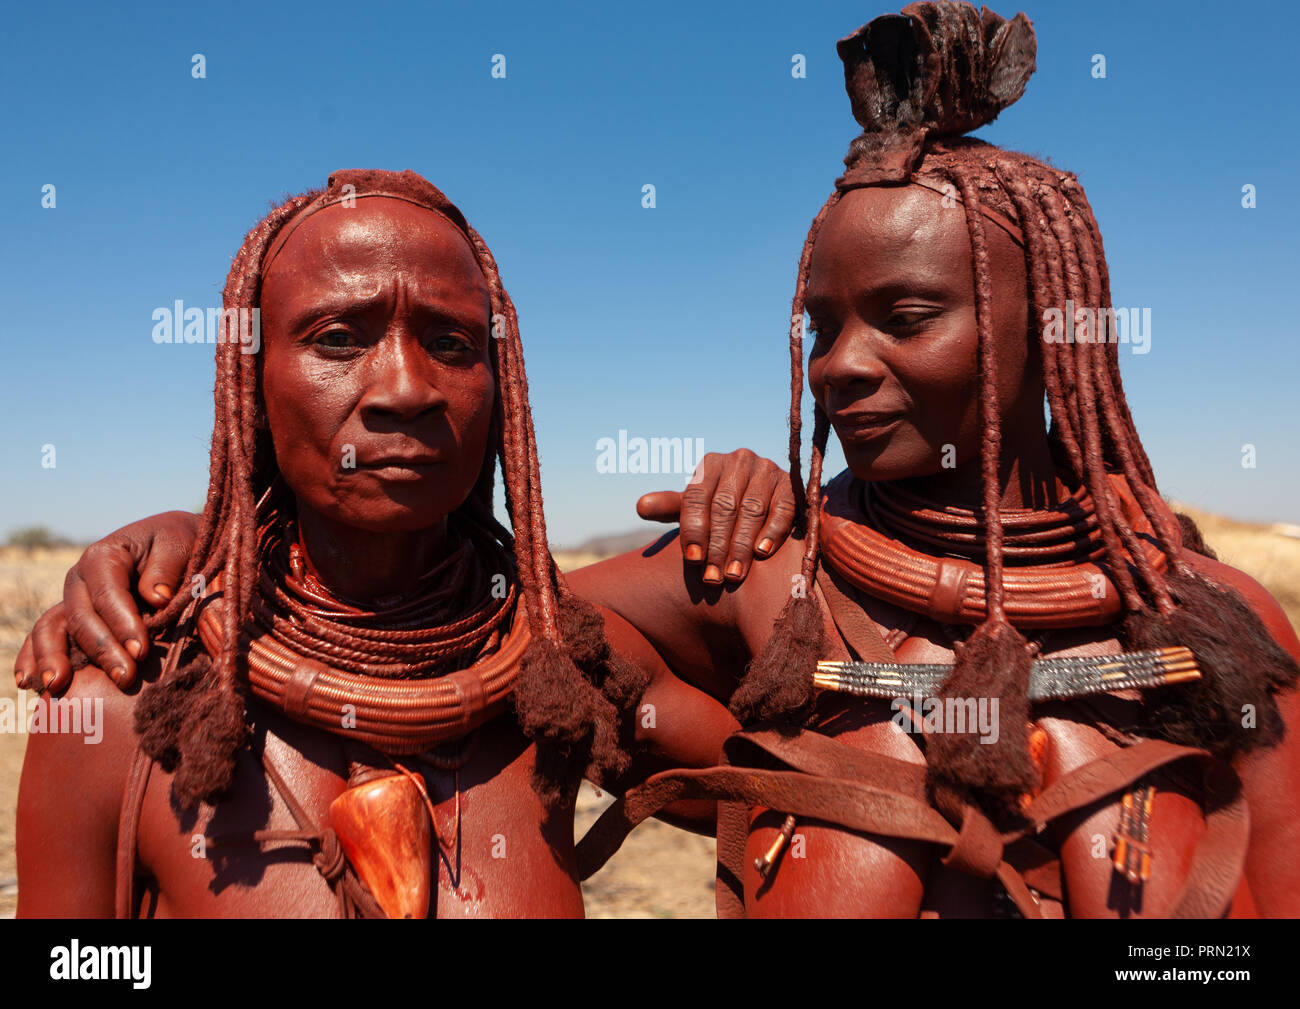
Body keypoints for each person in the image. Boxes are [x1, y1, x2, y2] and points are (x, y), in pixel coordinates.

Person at [23, 2, 1300, 918]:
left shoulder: (1221, 639)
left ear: (1058, 333)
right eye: (819, 329)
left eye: (902, 317)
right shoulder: (774, 590)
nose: (839, 368)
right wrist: (198, 537)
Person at [15, 169, 758, 918]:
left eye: (450, 341)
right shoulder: (123, 707)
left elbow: (807, 801)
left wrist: (780, 519)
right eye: (337, 338)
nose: (407, 387)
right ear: (254, 384)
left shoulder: (559, 672)